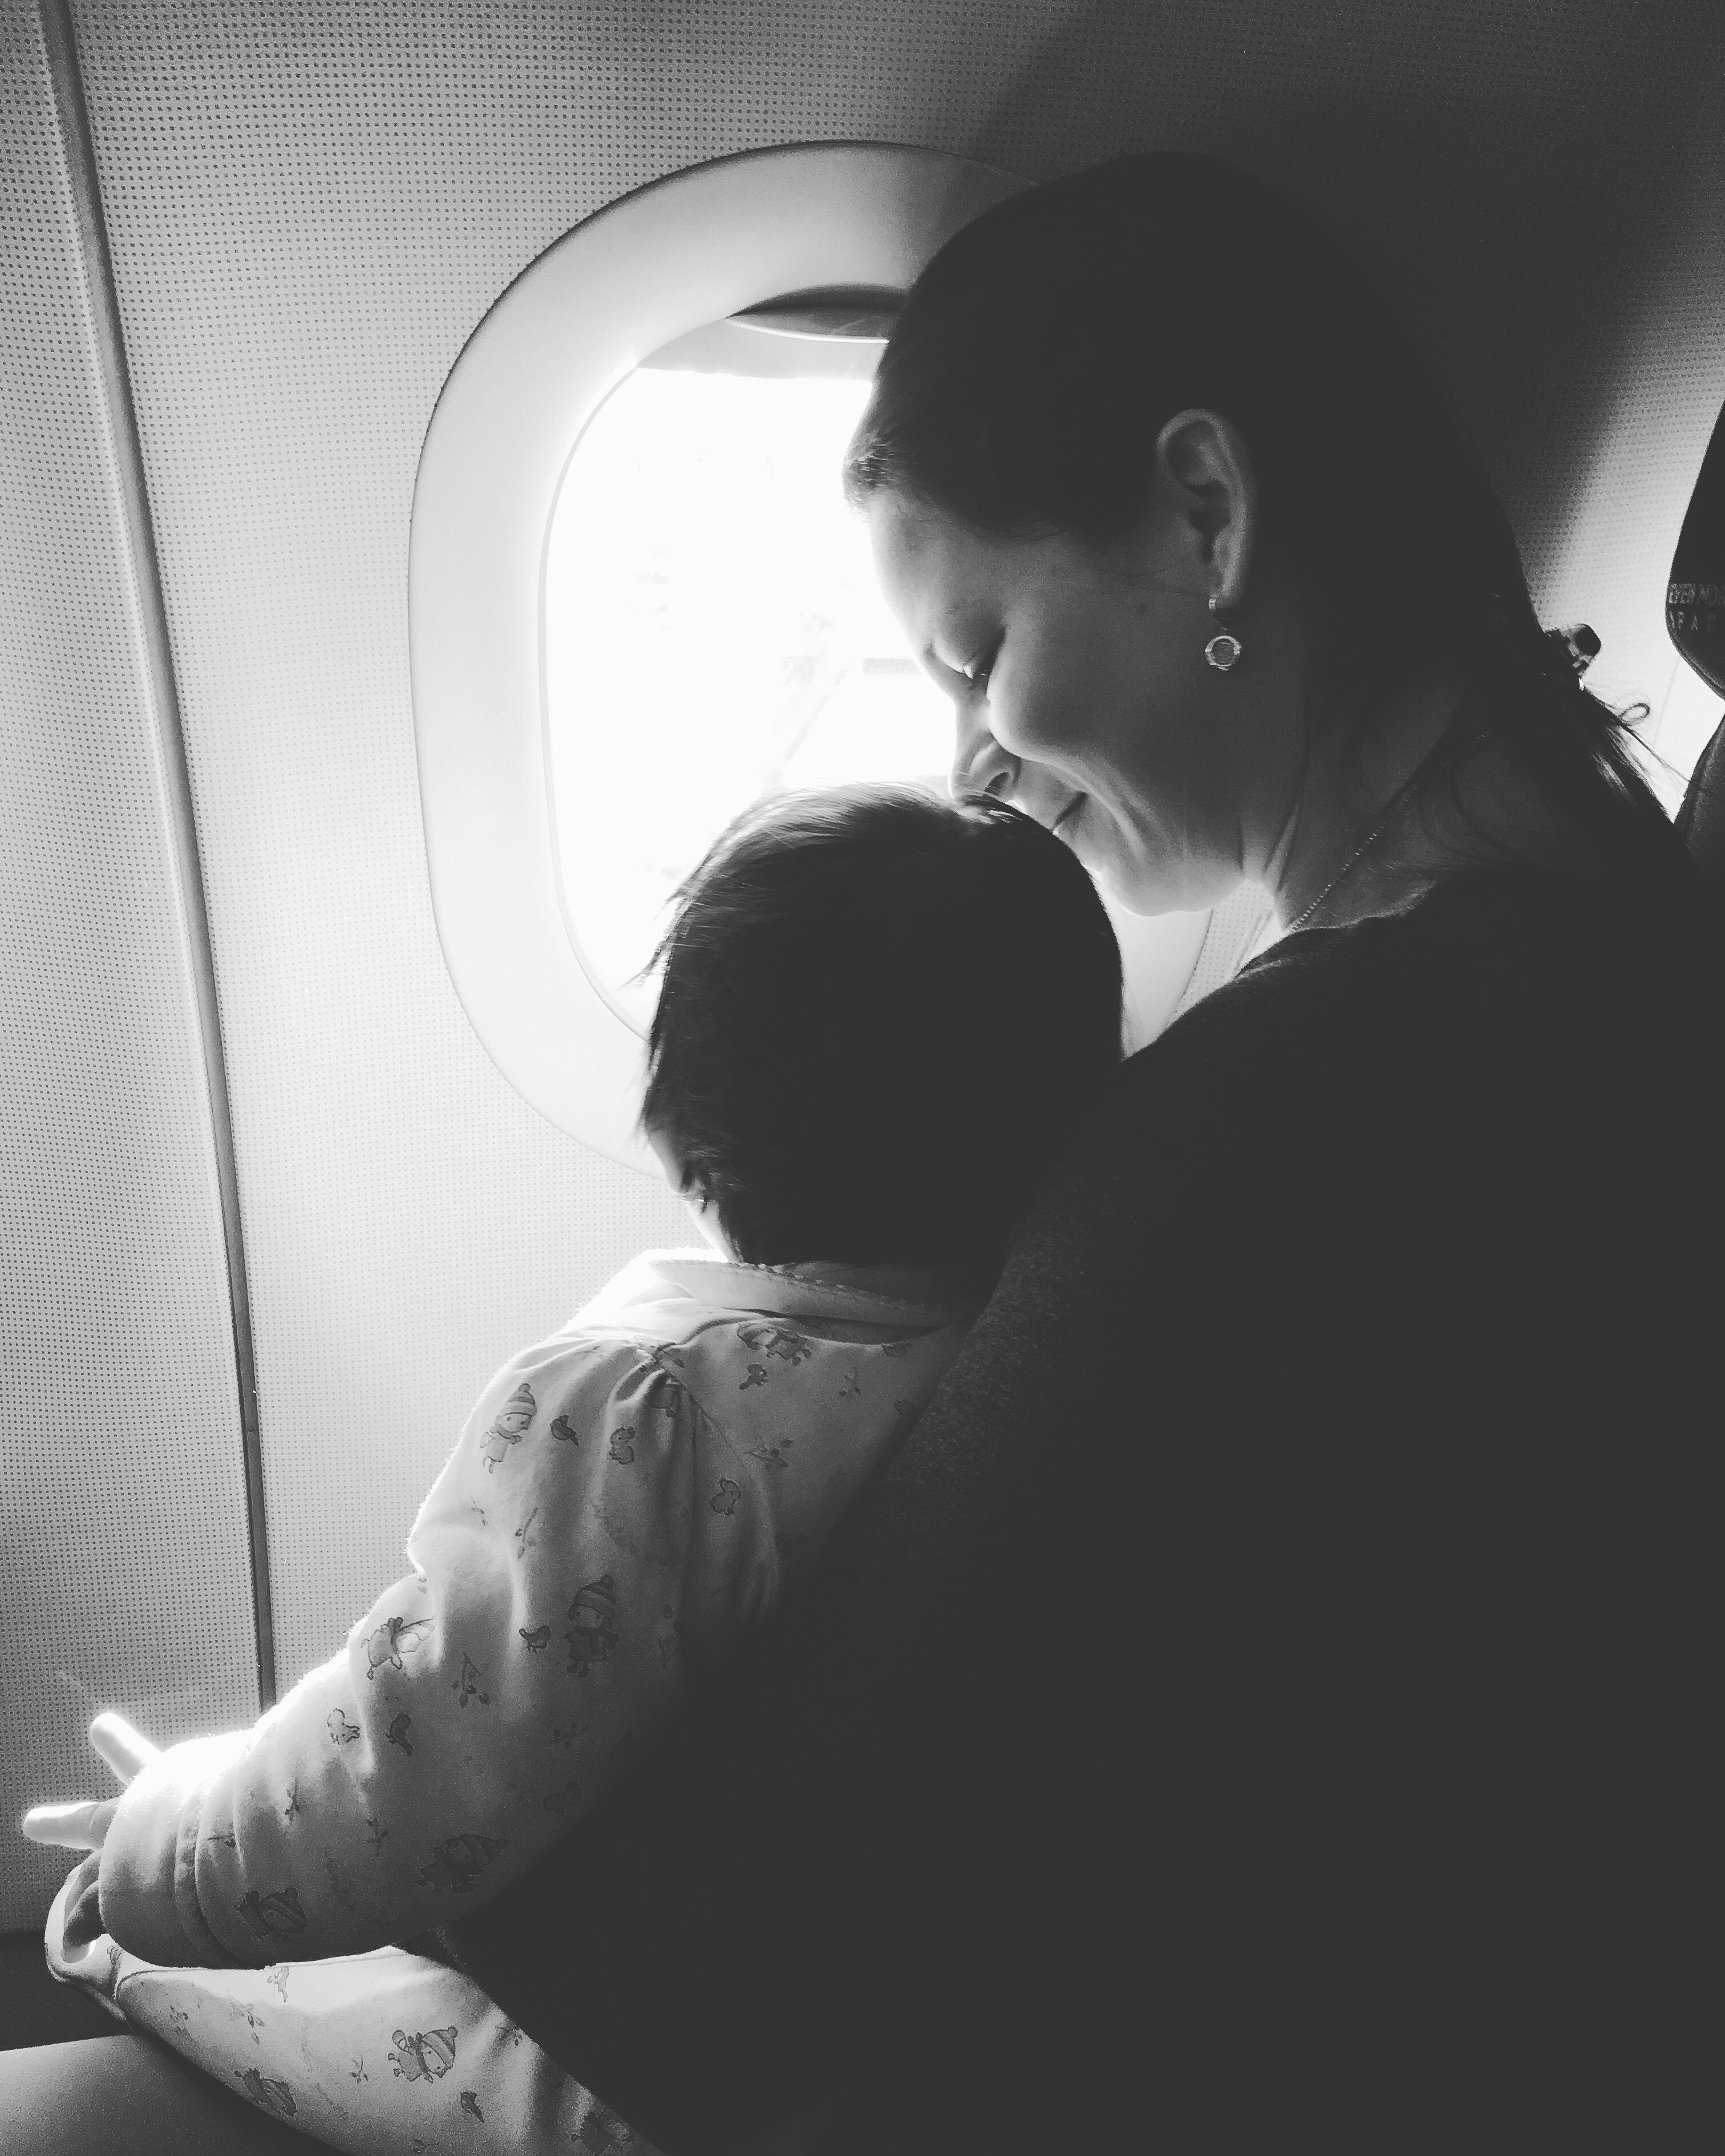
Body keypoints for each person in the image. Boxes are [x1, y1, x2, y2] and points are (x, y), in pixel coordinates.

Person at [410, 153, 1722, 2152]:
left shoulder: (1299, 1109)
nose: (971, 762)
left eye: (978, 648)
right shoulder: (1598, 913)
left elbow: (839, 1870)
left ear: (1205, 515)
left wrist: (400, 1832)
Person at [19, 782, 1123, 2153]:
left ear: (686, 1122)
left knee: (118, 1928)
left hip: (647, 2082)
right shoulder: (1018, 1354)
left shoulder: (646, 1411)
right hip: (866, 2004)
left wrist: (170, 1844)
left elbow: (415, 1762)